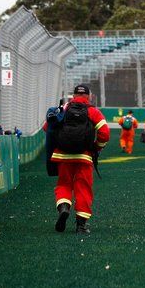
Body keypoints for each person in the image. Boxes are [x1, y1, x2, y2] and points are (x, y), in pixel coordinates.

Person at [47, 84, 109, 234]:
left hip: (62, 155)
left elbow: (47, 128)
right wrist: (97, 147)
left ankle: (64, 208)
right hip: (84, 156)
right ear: (89, 96)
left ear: (73, 96)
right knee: (83, 188)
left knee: (64, 184)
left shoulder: (64, 109)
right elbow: (105, 134)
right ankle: (81, 225)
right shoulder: (93, 111)